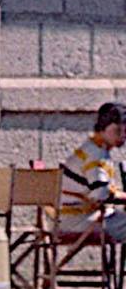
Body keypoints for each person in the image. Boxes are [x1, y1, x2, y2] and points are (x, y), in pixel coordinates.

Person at [58, 102, 126, 240]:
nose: (124, 135)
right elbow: (101, 194)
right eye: (121, 129)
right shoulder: (96, 155)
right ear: (108, 127)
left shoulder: (92, 149)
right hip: (79, 219)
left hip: (73, 217)